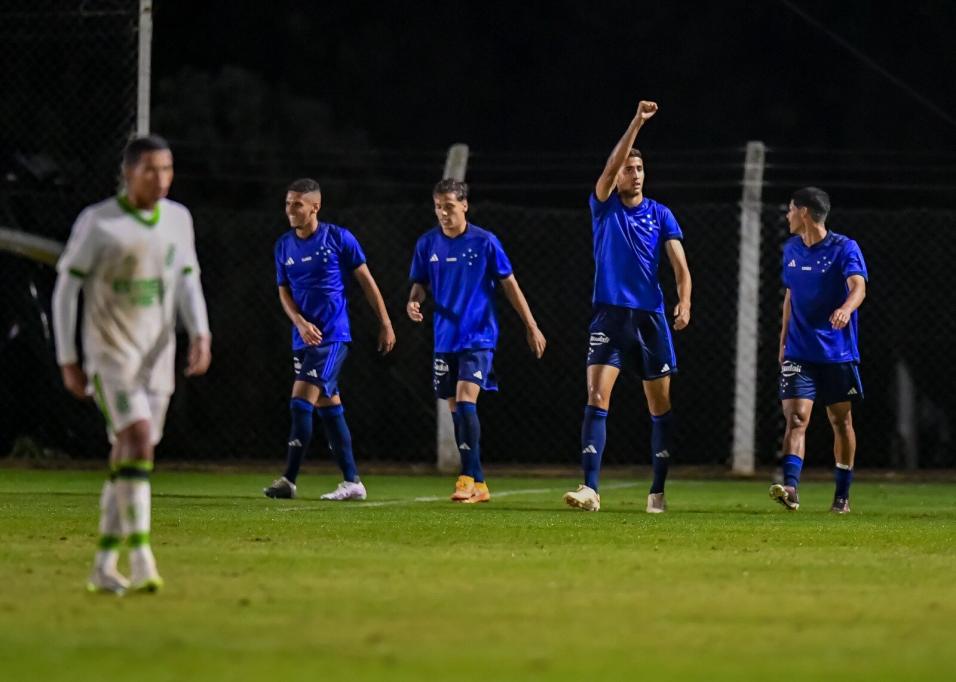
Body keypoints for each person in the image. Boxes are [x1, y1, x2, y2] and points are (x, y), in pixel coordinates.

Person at [53, 135, 212, 594]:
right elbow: (67, 288)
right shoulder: (99, 223)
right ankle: (141, 558)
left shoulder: (178, 219)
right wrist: (68, 359)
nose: (161, 179)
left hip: (156, 358)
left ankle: (104, 565)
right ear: (129, 173)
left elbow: (188, 279)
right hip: (110, 356)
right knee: (137, 440)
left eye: (167, 169)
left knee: (130, 455)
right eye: (151, 170)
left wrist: (200, 332)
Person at [563, 100, 692, 513]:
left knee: (659, 407)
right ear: (615, 175)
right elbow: (608, 167)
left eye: (638, 168)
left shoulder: (661, 214)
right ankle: (590, 489)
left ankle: (657, 490)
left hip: (650, 318)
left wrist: (684, 301)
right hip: (609, 315)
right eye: (626, 168)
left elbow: (680, 268)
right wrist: (637, 122)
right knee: (596, 397)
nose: (633, 173)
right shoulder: (604, 207)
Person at [407, 179, 546, 503]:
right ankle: (480, 483)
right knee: (456, 409)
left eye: (449, 206)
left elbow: (510, 284)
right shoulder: (428, 244)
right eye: (439, 207)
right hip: (445, 339)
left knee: (466, 400)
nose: (443, 213)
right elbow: (419, 285)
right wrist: (414, 301)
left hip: (478, 336)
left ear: (465, 205)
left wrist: (531, 325)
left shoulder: (484, 242)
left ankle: (466, 477)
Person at [263, 178, 395, 501]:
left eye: (297, 204)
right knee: (329, 407)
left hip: (332, 336)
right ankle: (353, 482)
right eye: (287, 203)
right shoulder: (283, 245)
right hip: (302, 337)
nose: (290, 209)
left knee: (300, 401)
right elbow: (283, 292)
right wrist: (299, 321)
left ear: (315, 207)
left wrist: (386, 322)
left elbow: (367, 281)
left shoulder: (338, 238)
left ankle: (289, 480)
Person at [770, 187, 867, 514]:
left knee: (841, 422)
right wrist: (783, 339)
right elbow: (790, 294)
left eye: (790, 210)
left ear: (805, 213)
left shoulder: (844, 248)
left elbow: (859, 287)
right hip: (799, 352)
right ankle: (791, 488)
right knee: (796, 418)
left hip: (837, 354)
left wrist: (845, 309)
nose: (787, 216)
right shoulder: (791, 249)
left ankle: (842, 496)